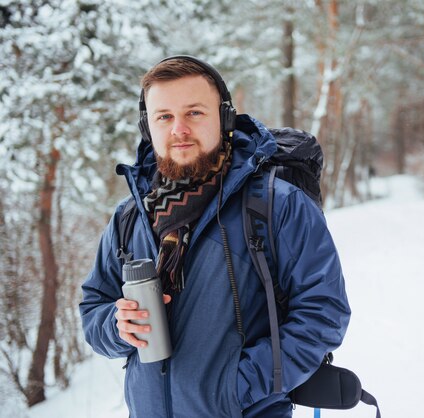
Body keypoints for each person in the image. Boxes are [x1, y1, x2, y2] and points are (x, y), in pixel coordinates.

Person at [79, 56, 351, 418]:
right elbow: (94, 306)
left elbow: (323, 312)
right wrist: (116, 327)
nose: (179, 129)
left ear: (224, 119)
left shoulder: (276, 205)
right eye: (164, 116)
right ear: (148, 126)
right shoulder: (130, 216)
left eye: (194, 113)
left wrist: (237, 387)